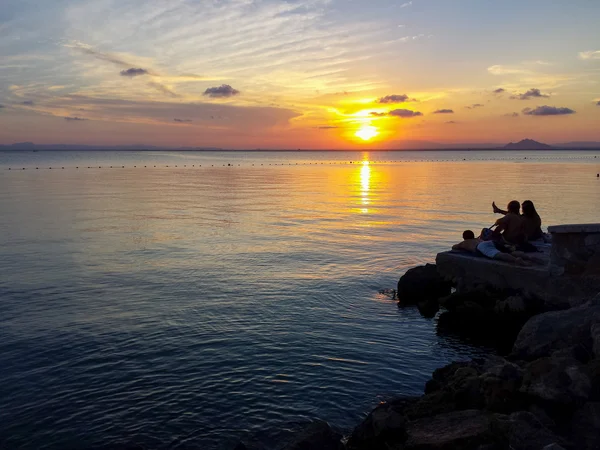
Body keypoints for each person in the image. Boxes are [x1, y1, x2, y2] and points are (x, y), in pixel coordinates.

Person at [452, 230, 543, 266]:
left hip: (481, 247)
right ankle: (528, 257)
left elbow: (454, 247)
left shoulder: (465, 242)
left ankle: (517, 261)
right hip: (490, 242)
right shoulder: (477, 239)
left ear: (464, 237)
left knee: (499, 255)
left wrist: (462, 246)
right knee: (509, 251)